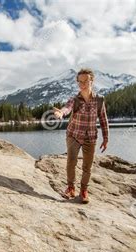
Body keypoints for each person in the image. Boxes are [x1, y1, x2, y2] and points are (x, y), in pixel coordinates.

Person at [53, 68, 109, 203]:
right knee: (71, 162)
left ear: (92, 81)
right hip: (73, 135)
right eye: (80, 82)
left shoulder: (99, 100)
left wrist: (106, 138)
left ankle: (84, 190)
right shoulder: (75, 99)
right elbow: (67, 108)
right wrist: (61, 112)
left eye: (86, 81)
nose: (83, 84)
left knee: (87, 166)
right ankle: (70, 188)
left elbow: (103, 119)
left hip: (90, 137)